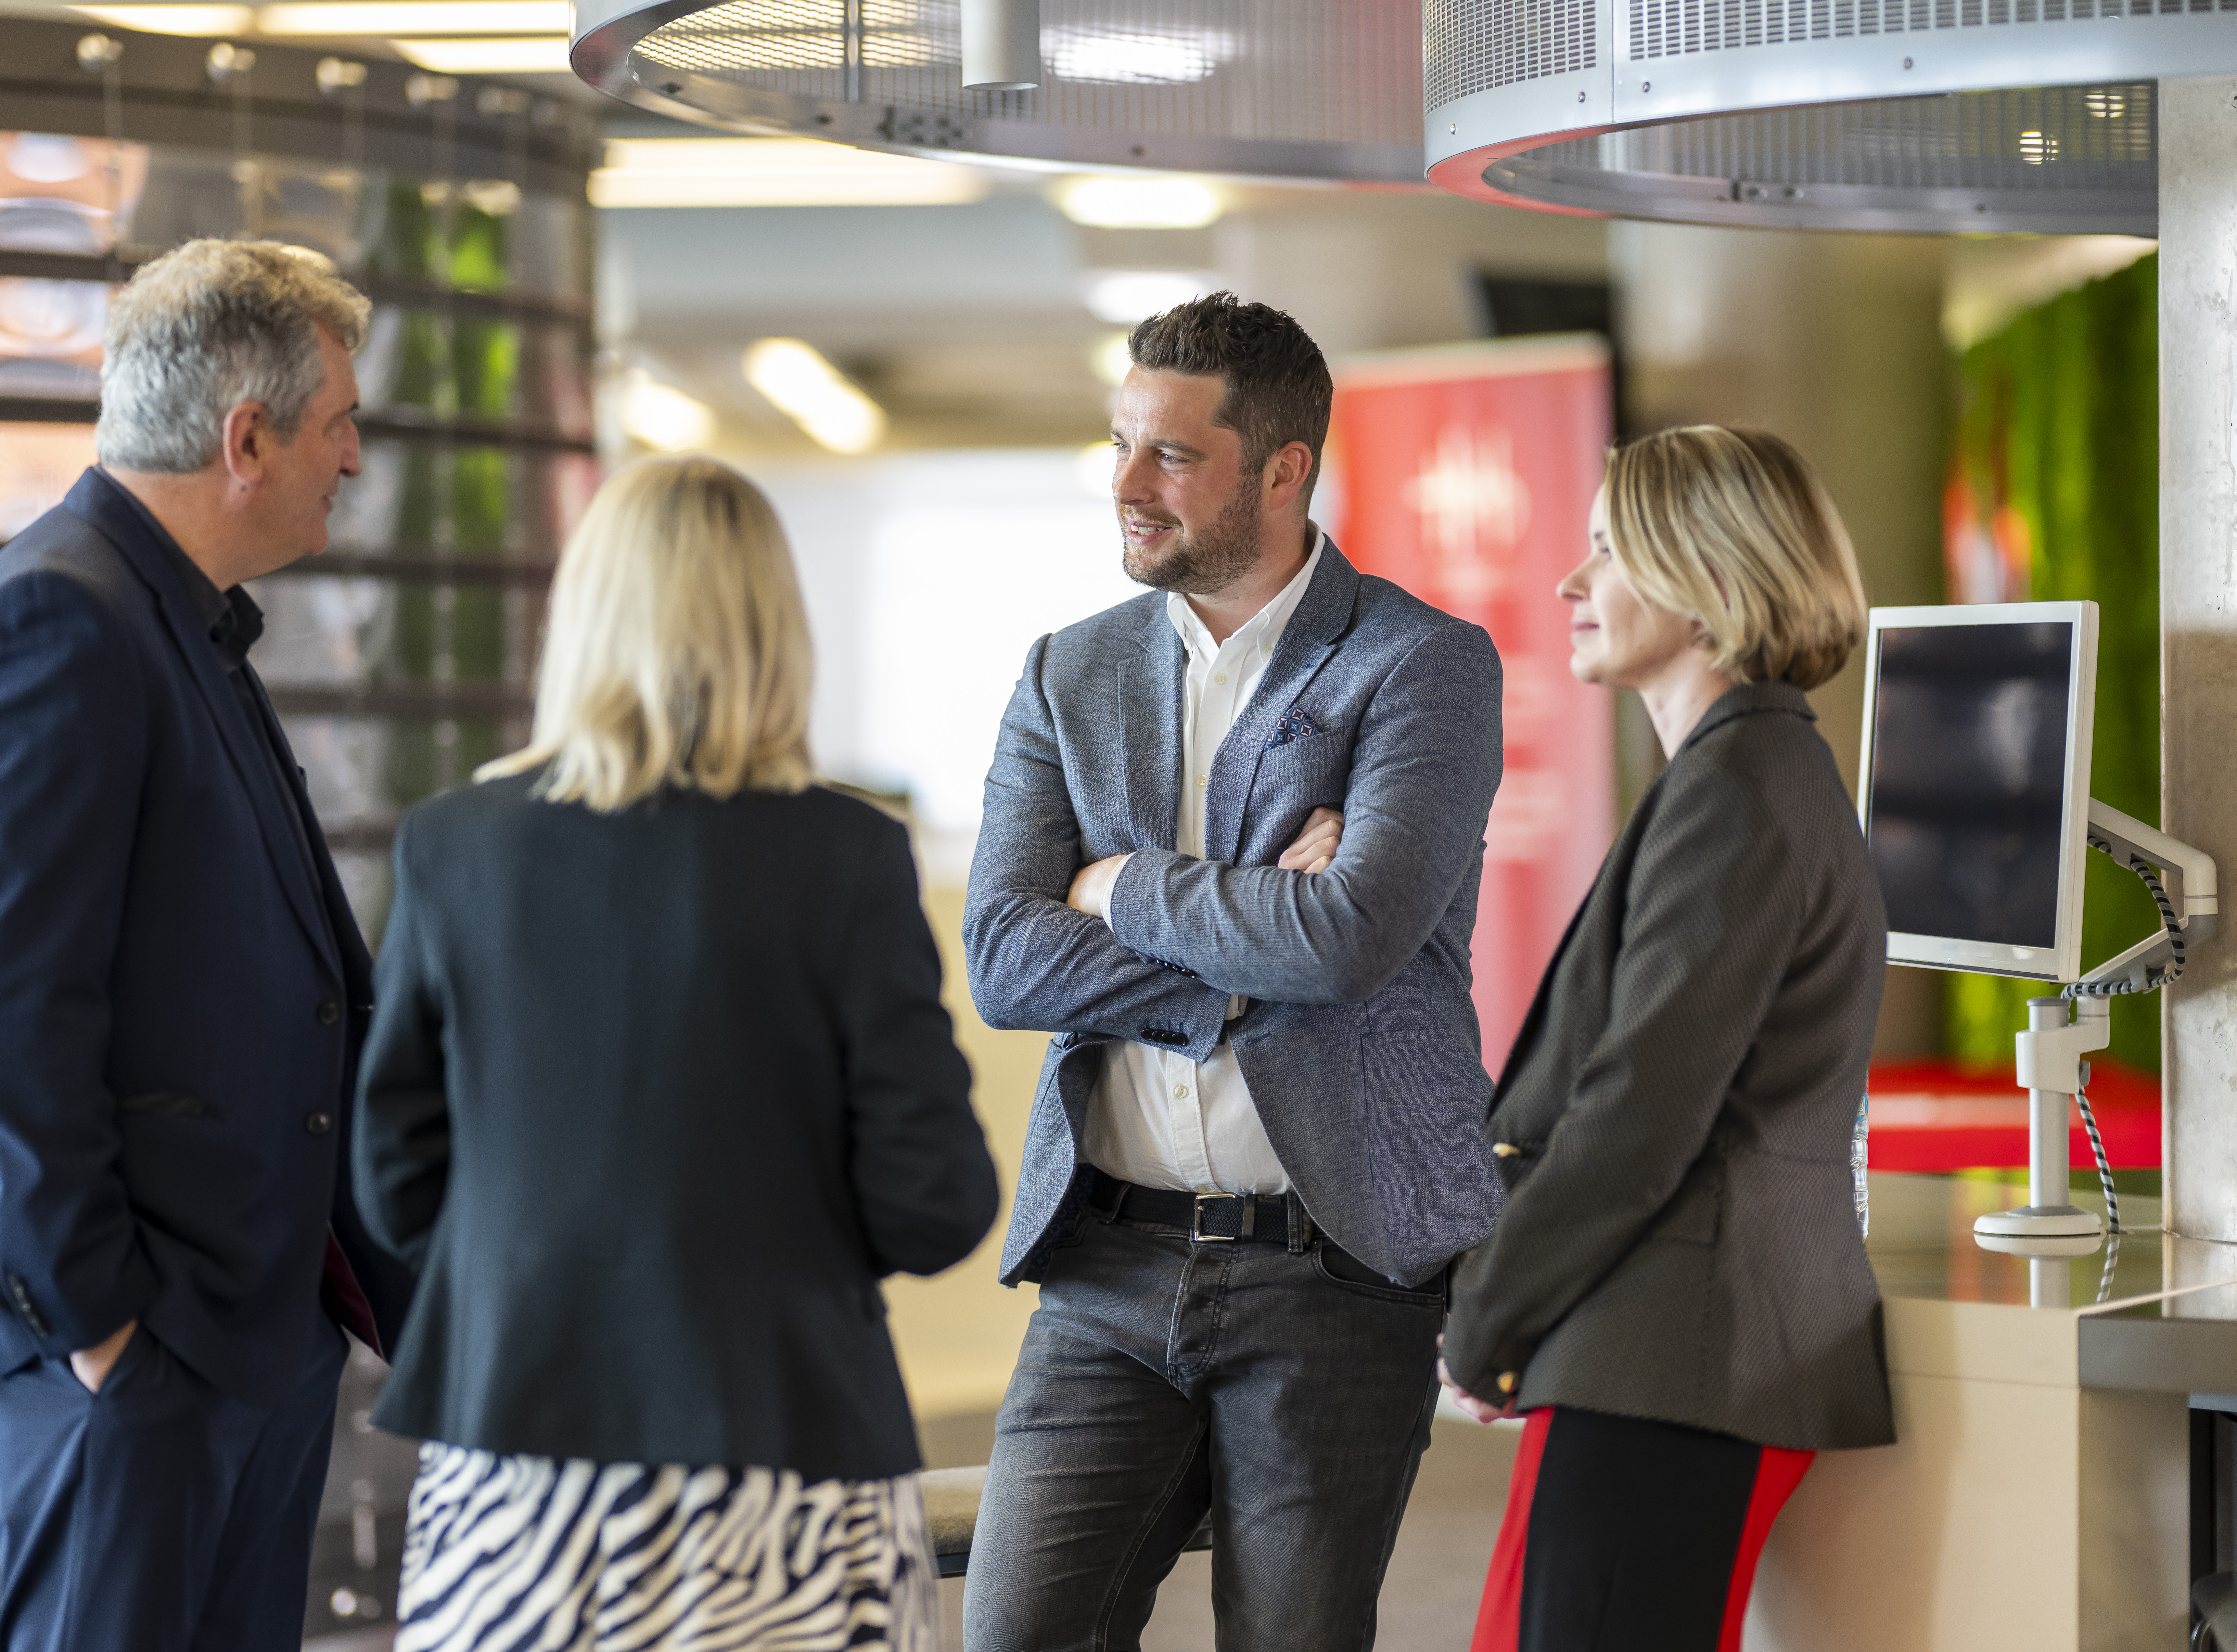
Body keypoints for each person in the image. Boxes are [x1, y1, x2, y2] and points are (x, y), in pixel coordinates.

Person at [353, 454, 1000, 1652]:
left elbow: (391, 1179)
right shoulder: (849, 857)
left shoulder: (455, 847)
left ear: (582, 617)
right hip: (785, 1445)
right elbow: (937, 1201)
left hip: (516, 1448)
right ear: (774, 627)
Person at [0, 238, 416, 1651]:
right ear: (246, 438)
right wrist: (102, 1331)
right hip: (138, 1339)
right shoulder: (61, 619)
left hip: (239, 1320)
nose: (353, 459)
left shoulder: (175, 620)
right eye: (338, 423)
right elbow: (9, 1015)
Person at [959, 293, 1507, 1650]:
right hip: (1106, 1262)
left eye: (1171, 455)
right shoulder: (1068, 672)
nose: (1127, 486)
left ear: (1281, 469)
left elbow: (1354, 935)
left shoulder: (1420, 666)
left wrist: (1121, 887)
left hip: (1331, 1268)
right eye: (1122, 444)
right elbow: (1004, 957)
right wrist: (1243, 964)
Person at [1439, 425, 1895, 1651]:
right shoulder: (1744, 773)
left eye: (1607, 551)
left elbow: (1638, 1115)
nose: (1569, 584)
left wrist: (1484, 1319)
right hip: (1668, 1353)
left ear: (1706, 578)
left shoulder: (1739, 789)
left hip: (1675, 1358)